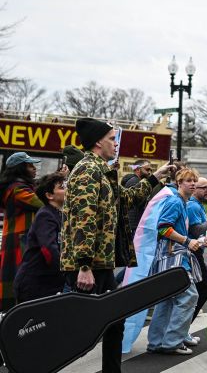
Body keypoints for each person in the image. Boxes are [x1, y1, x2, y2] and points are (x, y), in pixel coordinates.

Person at [61, 118, 172, 373]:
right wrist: (84, 265)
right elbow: (84, 220)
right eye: (112, 138)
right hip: (89, 266)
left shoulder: (103, 170)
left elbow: (128, 198)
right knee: (81, 330)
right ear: (98, 142)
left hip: (100, 263)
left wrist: (155, 176)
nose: (116, 143)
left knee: (114, 322)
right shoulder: (88, 170)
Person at [147, 168, 202, 355]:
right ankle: (172, 342)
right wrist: (187, 241)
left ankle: (157, 342)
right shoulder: (175, 202)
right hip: (173, 258)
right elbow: (163, 229)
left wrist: (197, 242)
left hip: (171, 257)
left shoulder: (181, 202)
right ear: (179, 182)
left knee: (168, 299)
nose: (193, 184)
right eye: (188, 180)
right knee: (189, 296)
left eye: (194, 180)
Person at [13, 172, 66, 302]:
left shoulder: (60, 214)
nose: (67, 189)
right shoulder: (45, 215)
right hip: (34, 283)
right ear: (49, 195)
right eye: (62, 187)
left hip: (48, 282)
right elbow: (48, 249)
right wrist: (65, 270)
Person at [0, 151, 44, 310]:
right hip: (20, 243)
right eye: (30, 165)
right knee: (21, 282)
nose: (34, 168)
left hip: (16, 242)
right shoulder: (18, 190)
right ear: (20, 168)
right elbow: (42, 203)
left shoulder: (15, 187)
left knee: (13, 282)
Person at [187, 176, 207, 321]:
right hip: (192, 253)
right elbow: (194, 230)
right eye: (204, 188)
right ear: (194, 189)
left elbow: (196, 233)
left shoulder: (198, 205)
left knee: (198, 290)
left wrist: (206, 243)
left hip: (196, 250)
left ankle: (183, 328)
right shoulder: (193, 206)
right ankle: (184, 327)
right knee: (204, 289)